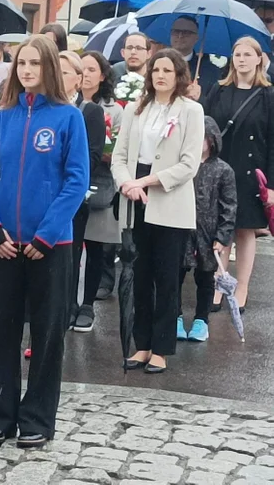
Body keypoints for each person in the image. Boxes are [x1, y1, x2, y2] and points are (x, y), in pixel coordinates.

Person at [0, 35, 89, 449]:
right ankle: (0, 414)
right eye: (20, 63)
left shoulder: (67, 118)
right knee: (2, 333)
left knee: (45, 336)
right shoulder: (4, 118)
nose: (26, 70)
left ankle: (38, 418)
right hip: (5, 243)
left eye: (34, 64)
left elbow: (76, 180)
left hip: (51, 246)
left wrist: (47, 233)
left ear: (49, 70)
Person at [112, 48, 204, 374]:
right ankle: (142, 344)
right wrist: (128, 184)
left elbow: (189, 164)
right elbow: (120, 156)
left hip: (170, 202)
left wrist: (149, 180)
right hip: (138, 201)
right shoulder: (138, 109)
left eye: (167, 70)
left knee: (167, 279)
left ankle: (162, 347)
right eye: (155, 70)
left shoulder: (191, 111)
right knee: (140, 276)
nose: (160, 75)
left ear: (179, 75)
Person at [203, 35, 274, 311]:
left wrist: (271, 184)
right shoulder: (219, 90)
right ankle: (219, 283)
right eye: (237, 54)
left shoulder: (268, 95)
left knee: (245, 231)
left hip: (251, 172)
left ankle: (241, 287)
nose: (242, 59)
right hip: (222, 169)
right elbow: (206, 127)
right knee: (221, 229)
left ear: (259, 59)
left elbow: (272, 139)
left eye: (247, 54)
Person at [58, 51, 106, 332]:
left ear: (78, 79)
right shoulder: (44, 106)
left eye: (66, 72)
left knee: (74, 252)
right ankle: (61, 306)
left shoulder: (90, 110)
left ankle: (79, 305)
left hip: (75, 192)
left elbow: (93, 154)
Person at [178, 116, 236, 342]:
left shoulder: (223, 170)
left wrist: (222, 236)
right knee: (176, 274)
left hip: (208, 234)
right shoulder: (183, 167)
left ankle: (202, 319)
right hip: (182, 229)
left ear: (212, 140)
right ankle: (176, 317)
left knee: (205, 277)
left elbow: (229, 206)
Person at [76, 51, 124, 322]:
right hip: (73, 182)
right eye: (81, 69)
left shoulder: (114, 109)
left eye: (91, 69)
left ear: (102, 75)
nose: (86, 74)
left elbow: (119, 148)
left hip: (101, 182)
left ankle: (87, 305)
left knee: (95, 247)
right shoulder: (66, 102)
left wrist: (105, 150)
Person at [168, 16, 222, 101]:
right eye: (176, 31)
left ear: (196, 38)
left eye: (186, 32)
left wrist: (199, 98)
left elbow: (215, 105)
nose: (180, 36)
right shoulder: (158, 64)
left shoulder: (211, 71)